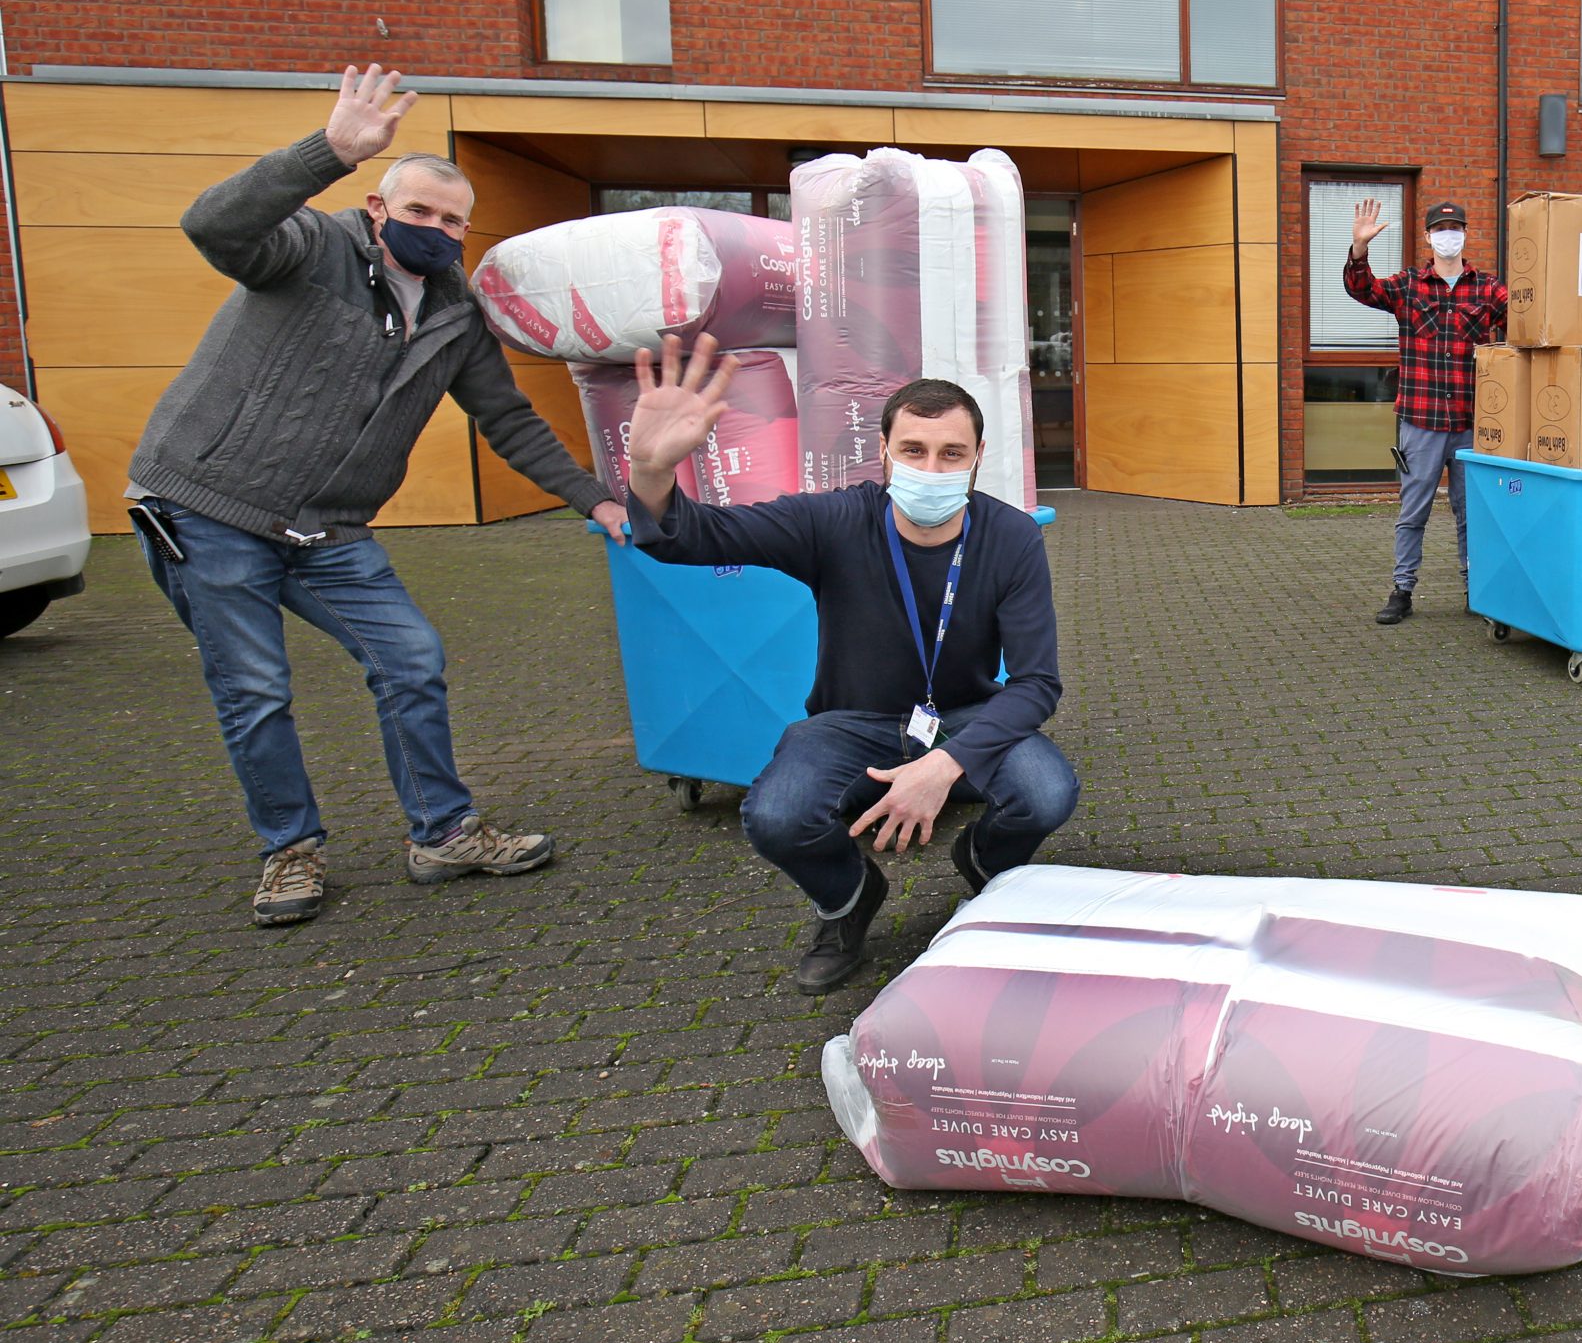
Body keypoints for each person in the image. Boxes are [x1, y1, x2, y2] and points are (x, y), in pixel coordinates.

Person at [127, 65, 629, 927]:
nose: (435, 229)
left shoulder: (454, 314)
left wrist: (595, 499)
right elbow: (213, 224)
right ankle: (289, 849)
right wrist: (330, 150)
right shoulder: (308, 250)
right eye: (419, 211)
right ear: (378, 209)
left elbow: (505, 419)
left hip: (326, 530)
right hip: (208, 507)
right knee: (254, 689)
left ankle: (442, 832)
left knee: (411, 660)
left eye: (452, 220)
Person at [619, 339, 1077, 995]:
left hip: (963, 720)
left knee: (1046, 792)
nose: (932, 467)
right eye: (914, 451)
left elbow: (1036, 682)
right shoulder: (833, 520)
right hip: (849, 721)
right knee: (776, 814)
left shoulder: (1009, 537)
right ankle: (848, 900)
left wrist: (944, 764)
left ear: (978, 459)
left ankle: (984, 869)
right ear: (884, 452)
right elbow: (693, 538)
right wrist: (651, 472)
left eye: (952, 454)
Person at [1342, 196, 1509, 624]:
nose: (1448, 236)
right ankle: (1402, 590)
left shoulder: (1489, 289)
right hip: (1421, 421)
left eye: (1455, 228)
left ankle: (1478, 589)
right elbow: (1363, 289)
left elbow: (1526, 326)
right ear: (1429, 237)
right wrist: (1360, 249)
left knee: (1472, 513)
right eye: (1440, 229)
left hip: (1473, 424)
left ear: (1465, 234)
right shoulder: (1408, 285)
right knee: (1412, 511)